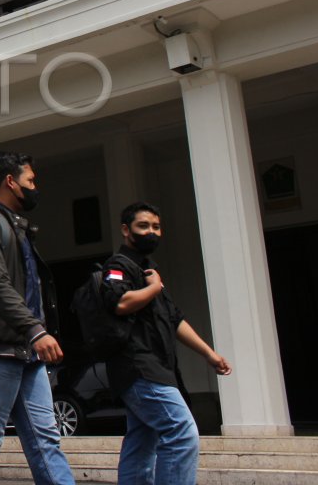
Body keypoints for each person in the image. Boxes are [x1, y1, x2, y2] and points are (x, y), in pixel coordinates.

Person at [0, 151, 75, 485]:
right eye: (30, 181)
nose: (35, 187)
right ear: (10, 182)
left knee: (45, 440)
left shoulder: (16, 228)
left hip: (23, 351)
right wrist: (36, 330)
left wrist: (34, 335)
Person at [101, 202, 232, 485]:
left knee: (142, 439)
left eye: (156, 227)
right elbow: (120, 302)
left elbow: (174, 320)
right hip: (138, 367)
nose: (151, 232)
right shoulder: (118, 266)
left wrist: (209, 354)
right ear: (126, 230)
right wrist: (152, 288)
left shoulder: (149, 269)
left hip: (158, 366)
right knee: (182, 432)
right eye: (143, 226)